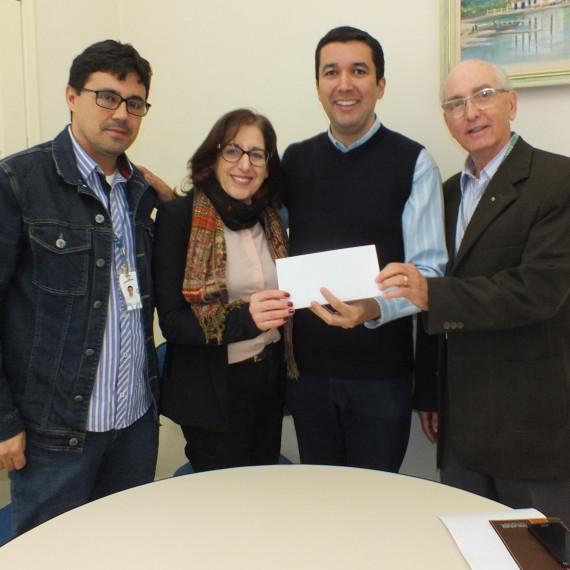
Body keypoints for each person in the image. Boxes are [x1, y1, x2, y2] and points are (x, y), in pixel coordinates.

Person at [377, 59, 570, 523]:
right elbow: (431, 289)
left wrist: (432, 295)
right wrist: (428, 391)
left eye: (483, 95)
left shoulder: (557, 181)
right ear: (446, 119)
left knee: (538, 553)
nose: (471, 112)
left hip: (532, 424)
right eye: (455, 103)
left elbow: (536, 291)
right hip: (460, 423)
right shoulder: (444, 194)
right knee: (469, 545)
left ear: (512, 103)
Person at [0, 39, 172, 537]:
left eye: (134, 103)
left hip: (134, 424)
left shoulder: (139, 192)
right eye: (107, 97)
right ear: (72, 96)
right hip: (56, 435)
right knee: (52, 556)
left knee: (122, 550)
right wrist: (3, 420)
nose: (121, 113)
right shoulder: (19, 181)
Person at [282, 26, 447, 471]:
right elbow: (258, 238)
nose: (344, 84)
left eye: (359, 71)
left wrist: (371, 310)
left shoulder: (414, 162)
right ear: (317, 85)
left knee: (374, 505)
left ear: (380, 85)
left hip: (382, 377)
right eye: (331, 72)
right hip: (307, 374)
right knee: (319, 500)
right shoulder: (292, 162)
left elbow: (429, 273)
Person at [153, 108, 297, 472]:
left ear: (268, 165)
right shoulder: (179, 218)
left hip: (268, 380)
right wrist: (246, 319)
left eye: (257, 154)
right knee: (222, 504)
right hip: (211, 389)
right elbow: (173, 322)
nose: (244, 164)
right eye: (233, 151)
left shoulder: (272, 219)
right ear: (213, 156)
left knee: (263, 488)